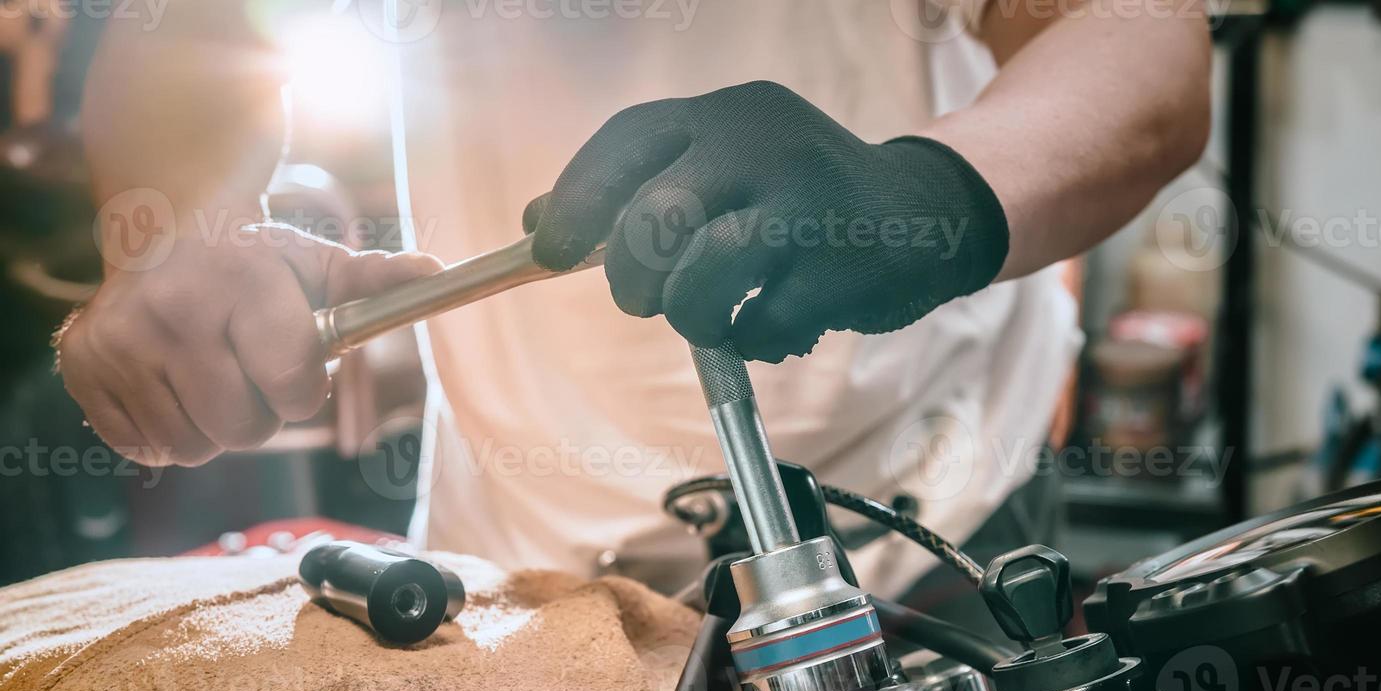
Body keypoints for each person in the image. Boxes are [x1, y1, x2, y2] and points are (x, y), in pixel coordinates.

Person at [59, 0, 1210, 616]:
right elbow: (188, 34)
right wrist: (186, 232)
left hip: (930, 519)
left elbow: (1132, 35)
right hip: (515, 560)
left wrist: (930, 193)